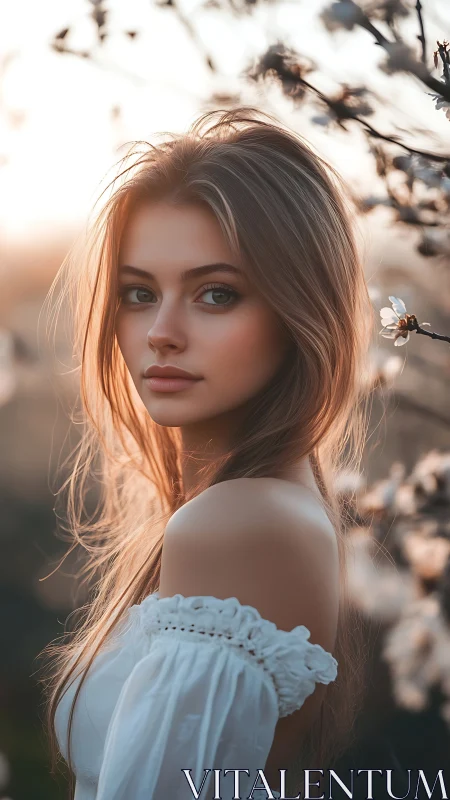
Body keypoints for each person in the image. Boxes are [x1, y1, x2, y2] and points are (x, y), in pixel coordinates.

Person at [37, 106, 375, 799]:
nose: (160, 332)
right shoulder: (266, 510)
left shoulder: (239, 524)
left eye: (215, 294)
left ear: (299, 312)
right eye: (138, 293)